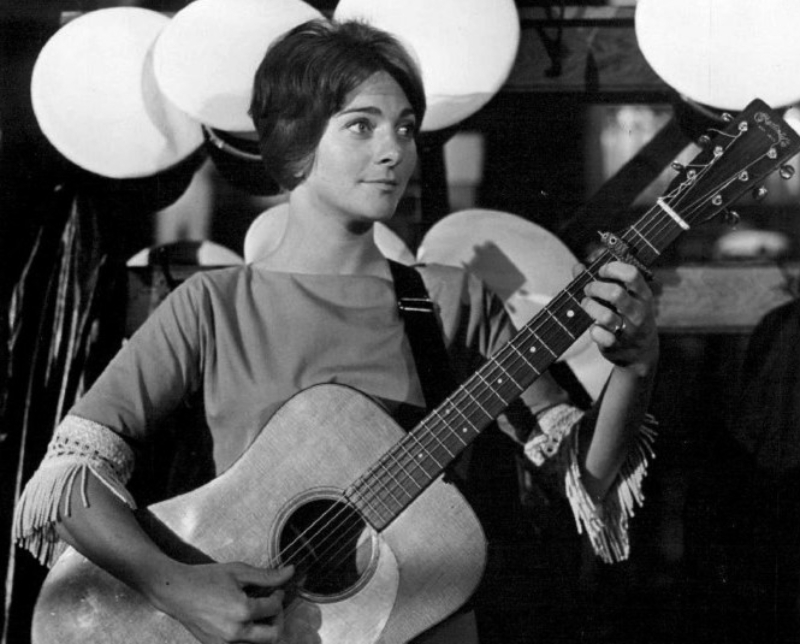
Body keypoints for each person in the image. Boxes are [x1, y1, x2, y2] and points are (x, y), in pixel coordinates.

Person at [13, 18, 660, 644]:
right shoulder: (212, 305)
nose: (394, 150)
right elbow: (66, 485)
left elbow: (585, 482)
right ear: (295, 141)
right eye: (362, 126)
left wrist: (635, 366)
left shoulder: (450, 297)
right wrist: (181, 590)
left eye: (406, 128)